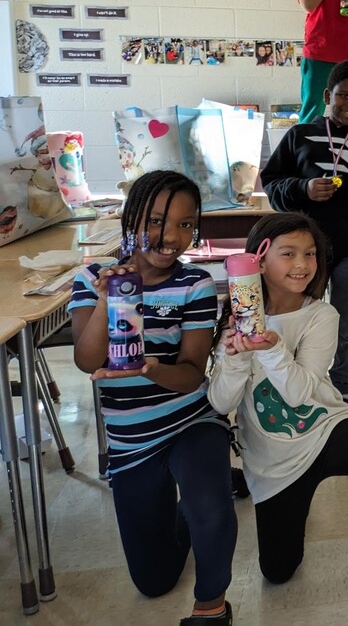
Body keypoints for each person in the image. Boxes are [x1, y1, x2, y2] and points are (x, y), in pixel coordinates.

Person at [207, 214, 348, 605]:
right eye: (288, 254)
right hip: (273, 464)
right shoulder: (235, 320)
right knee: (278, 573)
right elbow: (220, 402)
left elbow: (300, 395)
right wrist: (235, 356)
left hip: (324, 432)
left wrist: (272, 348)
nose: (302, 264)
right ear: (258, 262)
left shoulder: (320, 315)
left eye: (310, 254)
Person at [68, 170, 236, 626]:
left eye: (186, 225)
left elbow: (191, 375)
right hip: (131, 442)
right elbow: (87, 361)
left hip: (190, 421)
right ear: (131, 218)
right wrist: (109, 300)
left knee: (212, 512)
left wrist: (152, 369)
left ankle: (211, 607)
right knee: (154, 581)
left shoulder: (196, 283)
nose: (170, 237)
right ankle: (194, 501)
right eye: (157, 220)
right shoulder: (90, 278)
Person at [261, 60, 348, 405]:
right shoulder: (299, 135)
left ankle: (344, 387)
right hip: (305, 253)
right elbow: (273, 184)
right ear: (327, 95)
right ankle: (297, 385)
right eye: (344, 95)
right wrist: (303, 188)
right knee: (298, 320)